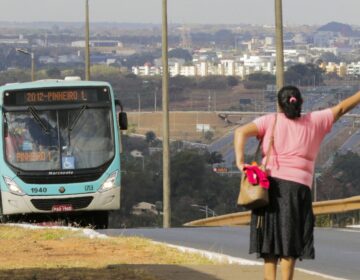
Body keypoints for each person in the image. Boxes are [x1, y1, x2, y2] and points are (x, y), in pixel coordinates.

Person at [234, 86, 360, 280]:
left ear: (279, 104)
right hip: (298, 190)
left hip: (269, 188)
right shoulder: (315, 121)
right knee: (289, 243)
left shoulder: (270, 120)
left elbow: (240, 132)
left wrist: (240, 162)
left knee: (270, 243)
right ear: (300, 102)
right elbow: (342, 107)